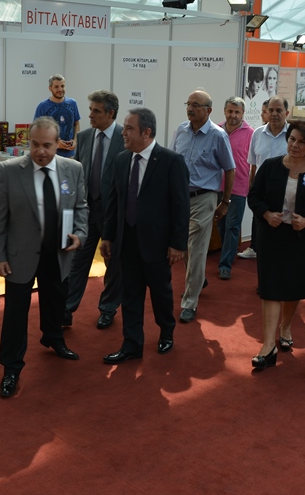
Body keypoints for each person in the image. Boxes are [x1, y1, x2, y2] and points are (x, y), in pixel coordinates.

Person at [0, 117, 88, 398]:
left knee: (56, 301)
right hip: (19, 256)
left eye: (47, 145)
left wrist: (80, 234)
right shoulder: (9, 171)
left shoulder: (73, 169)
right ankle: (11, 367)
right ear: (28, 143)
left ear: (58, 144)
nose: (40, 151)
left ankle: (53, 338)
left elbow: (81, 207)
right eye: (35, 145)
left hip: (58, 253)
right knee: (15, 313)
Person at [100, 108, 189, 363]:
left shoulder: (171, 161)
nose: (123, 133)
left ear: (146, 132)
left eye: (129, 128)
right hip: (126, 241)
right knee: (130, 295)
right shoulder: (121, 160)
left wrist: (177, 244)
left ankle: (166, 332)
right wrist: (107, 236)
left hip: (157, 244)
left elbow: (181, 206)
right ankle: (131, 344)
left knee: (161, 293)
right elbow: (114, 202)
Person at [248, 120, 305, 370]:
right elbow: (254, 196)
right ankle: (268, 346)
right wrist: (266, 214)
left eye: (301, 142)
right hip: (271, 236)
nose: (294, 145)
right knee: (270, 288)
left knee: (293, 288)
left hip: (301, 240)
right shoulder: (270, 166)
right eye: (292, 139)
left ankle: (285, 327)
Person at [64, 90, 124, 329]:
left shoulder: (125, 137)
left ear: (110, 113)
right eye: (90, 110)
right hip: (87, 213)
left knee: (113, 266)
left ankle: (108, 309)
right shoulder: (85, 136)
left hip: (114, 215)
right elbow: (78, 174)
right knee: (77, 262)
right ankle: (66, 309)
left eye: (96, 111)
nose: (90, 115)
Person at [173, 90, 235, 322]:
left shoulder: (218, 136)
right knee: (185, 246)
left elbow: (230, 169)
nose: (190, 108)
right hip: (180, 198)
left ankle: (190, 303)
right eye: (188, 104)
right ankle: (198, 280)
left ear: (208, 110)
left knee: (196, 248)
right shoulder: (181, 130)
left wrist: (225, 202)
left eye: (195, 105)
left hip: (204, 198)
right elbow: (172, 162)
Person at [240, 96, 291, 260]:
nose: (274, 114)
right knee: (262, 232)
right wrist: (252, 189)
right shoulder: (257, 133)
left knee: (283, 236)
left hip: (287, 191)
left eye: (279, 110)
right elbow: (253, 165)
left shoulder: (293, 135)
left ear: (286, 113)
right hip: (262, 192)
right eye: (271, 110)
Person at [216, 97, 254, 280]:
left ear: (242, 114)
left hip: (239, 187)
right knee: (221, 224)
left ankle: (225, 264)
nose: (233, 115)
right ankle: (227, 252)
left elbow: (253, 161)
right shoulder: (215, 130)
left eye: (237, 112)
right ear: (225, 111)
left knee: (232, 226)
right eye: (230, 111)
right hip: (217, 187)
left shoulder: (250, 133)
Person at [34, 74, 81, 157]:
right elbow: (37, 131)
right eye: (56, 87)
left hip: (70, 154)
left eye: (62, 86)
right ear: (50, 88)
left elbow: (76, 124)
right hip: (50, 155)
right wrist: (55, 142)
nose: (60, 89)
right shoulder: (42, 106)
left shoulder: (72, 103)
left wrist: (75, 140)